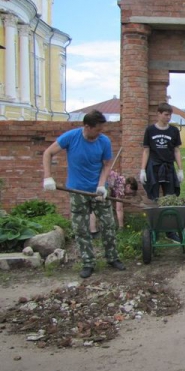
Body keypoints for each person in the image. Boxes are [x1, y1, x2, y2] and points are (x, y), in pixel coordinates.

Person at [42, 110, 126, 279]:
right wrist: (47, 176)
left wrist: (102, 185)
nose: (100, 133)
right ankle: (88, 263)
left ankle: (112, 258)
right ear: (87, 127)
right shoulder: (71, 137)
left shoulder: (104, 141)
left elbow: (107, 165)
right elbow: (48, 153)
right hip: (76, 191)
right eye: (97, 129)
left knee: (108, 225)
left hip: (98, 192)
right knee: (81, 229)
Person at [140, 102, 184, 241]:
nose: (168, 117)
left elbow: (176, 150)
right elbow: (146, 151)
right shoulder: (150, 130)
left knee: (169, 198)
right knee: (154, 198)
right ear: (158, 114)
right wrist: (142, 169)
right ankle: (155, 229)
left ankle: (170, 231)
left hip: (168, 167)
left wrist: (180, 169)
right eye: (166, 115)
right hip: (153, 167)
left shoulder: (173, 131)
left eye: (170, 115)